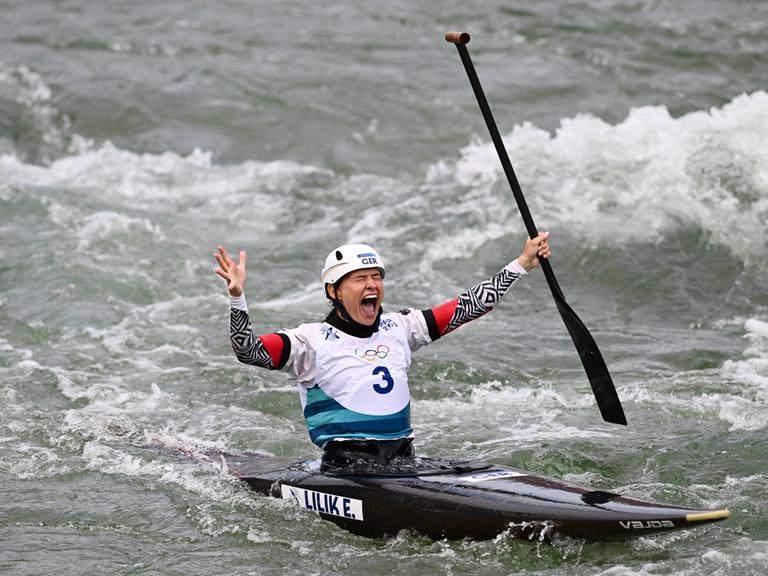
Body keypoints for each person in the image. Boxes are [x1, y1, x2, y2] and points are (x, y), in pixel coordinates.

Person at [213, 233, 551, 471]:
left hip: (404, 460)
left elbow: (466, 307)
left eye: (376, 277)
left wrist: (520, 264)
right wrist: (237, 298)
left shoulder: (401, 327)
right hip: (347, 468)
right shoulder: (310, 342)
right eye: (360, 279)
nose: (372, 285)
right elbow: (249, 351)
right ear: (334, 290)